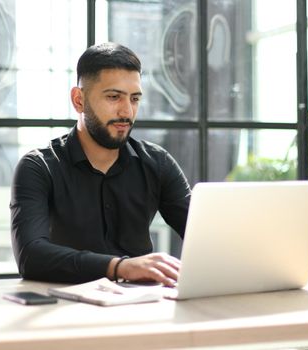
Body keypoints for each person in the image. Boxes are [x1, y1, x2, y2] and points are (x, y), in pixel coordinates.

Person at [10, 42, 191, 287]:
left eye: (134, 99)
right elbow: (31, 256)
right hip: (63, 308)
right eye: (114, 97)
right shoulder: (38, 167)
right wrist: (120, 267)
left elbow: (206, 238)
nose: (127, 111)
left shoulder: (157, 164)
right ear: (78, 100)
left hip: (144, 306)